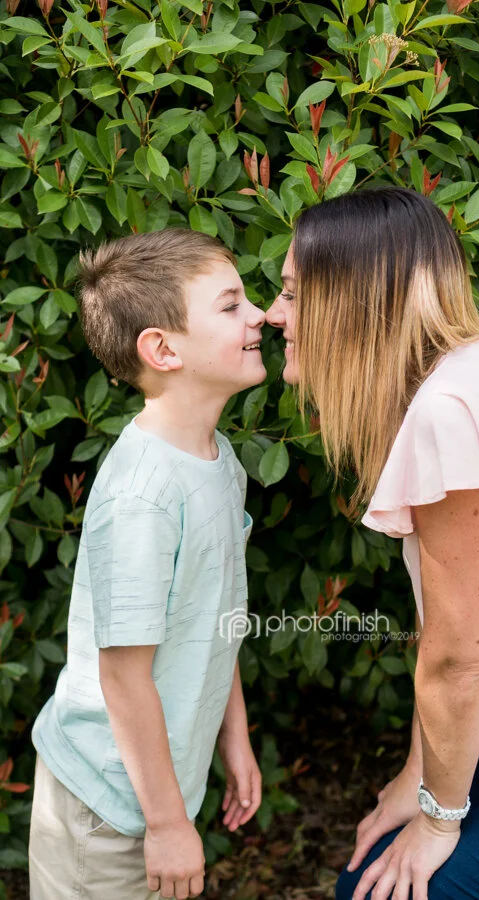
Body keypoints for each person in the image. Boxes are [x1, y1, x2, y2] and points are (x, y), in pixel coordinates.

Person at [266, 186, 479, 899]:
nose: (273, 315)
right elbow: (453, 629)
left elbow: (457, 658)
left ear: (350, 303)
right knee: (371, 867)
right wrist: (419, 779)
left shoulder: (455, 410)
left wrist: (439, 819)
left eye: (292, 294)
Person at [29, 229, 265, 900]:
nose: (261, 317)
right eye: (230, 306)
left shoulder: (220, 460)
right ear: (163, 349)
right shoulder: (143, 496)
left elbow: (218, 617)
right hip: (103, 807)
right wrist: (165, 823)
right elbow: (123, 677)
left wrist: (235, 738)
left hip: (155, 792)